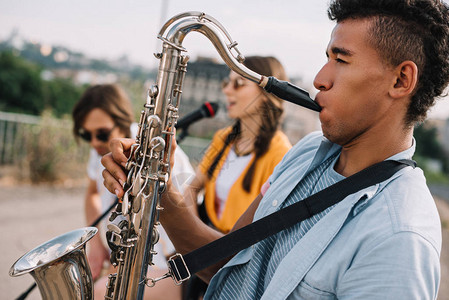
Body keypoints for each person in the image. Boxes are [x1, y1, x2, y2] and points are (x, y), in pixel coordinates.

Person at [101, 0, 449, 299]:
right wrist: (160, 195)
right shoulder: (307, 151)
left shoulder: (400, 238)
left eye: (341, 61)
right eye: (327, 57)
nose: (319, 79)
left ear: (401, 80)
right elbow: (230, 266)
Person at [72, 84, 194, 300]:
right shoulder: (100, 149)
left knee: (97, 294)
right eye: (86, 134)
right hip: (121, 258)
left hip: (167, 262)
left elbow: (191, 211)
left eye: (101, 133)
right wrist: (96, 245)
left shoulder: (154, 150)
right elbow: (92, 192)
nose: (94, 142)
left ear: (122, 122)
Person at [186, 56, 292, 234]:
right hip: (206, 247)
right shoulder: (223, 138)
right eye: (227, 83)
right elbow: (190, 189)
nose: (227, 90)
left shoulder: (281, 154)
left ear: (267, 93)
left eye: (239, 83)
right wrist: (196, 236)